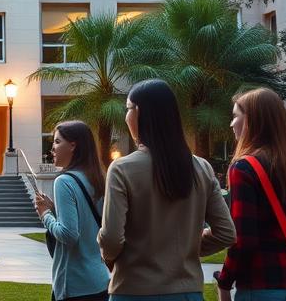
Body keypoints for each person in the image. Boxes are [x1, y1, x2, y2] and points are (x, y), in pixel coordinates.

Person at [98, 79, 235, 301]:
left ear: (138, 112)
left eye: (127, 109)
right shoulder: (201, 168)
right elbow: (226, 232)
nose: (126, 117)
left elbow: (112, 238)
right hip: (187, 290)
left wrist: (107, 252)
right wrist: (186, 247)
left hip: (134, 290)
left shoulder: (122, 169)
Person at [215, 88, 286, 301]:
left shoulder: (245, 168)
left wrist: (224, 281)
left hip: (262, 286)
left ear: (253, 121)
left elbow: (244, 240)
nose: (231, 124)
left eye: (235, 116)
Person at [33, 120, 110, 301]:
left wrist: (45, 214)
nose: (52, 148)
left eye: (58, 142)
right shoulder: (98, 178)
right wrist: (54, 210)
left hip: (74, 284)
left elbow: (69, 235)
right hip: (99, 280)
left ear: (73, 146)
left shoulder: (64, 181)